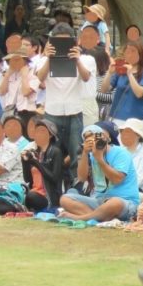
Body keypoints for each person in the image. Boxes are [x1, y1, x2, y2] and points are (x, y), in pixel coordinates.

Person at [37, 23, 97, 178]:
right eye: (58, 43)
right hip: (52, 112)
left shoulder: (87, 59)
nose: (62, 46)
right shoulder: (43, 60)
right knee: (51, 155)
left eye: (66, 43)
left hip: (74, 112)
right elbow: (40, 78)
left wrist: (77, 60)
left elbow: (86, 77)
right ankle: (53, 191)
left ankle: (76, 188)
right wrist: (49, 58)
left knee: (77, 154)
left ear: (75, 42)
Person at [59, 123, 140, 223]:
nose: (93, 142)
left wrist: (100, 159)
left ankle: (81, 218)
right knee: (65, 199)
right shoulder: (92, 155)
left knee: (114, 203)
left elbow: (117, 180)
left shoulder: (121, 153)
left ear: (103, 138)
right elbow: (81, 178)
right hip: (99, 201)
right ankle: (99, 218)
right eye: (87, 140)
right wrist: (84, 153)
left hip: (124, 201)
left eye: (94, 138)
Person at [103, 41, 143, 124]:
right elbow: (104, 90)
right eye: (127, 52)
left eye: (133, 51)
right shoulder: (119, 72)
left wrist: (130, 74)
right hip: (116, 117)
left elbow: (139, 93)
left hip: (136, 119)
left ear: (140, 55)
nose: (130, 55)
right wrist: (109, 73)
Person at [21, 118, 63, 210]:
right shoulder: (33, 152)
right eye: (37, 131)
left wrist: (36, 163)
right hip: (34, 191)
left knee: (30, 197)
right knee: (18, 192)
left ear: (50, 135)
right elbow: (28, 179)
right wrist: (24, 161)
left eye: (42, 131)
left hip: (48, 195)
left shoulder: (56, 152)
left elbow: (54, 178)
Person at [0, 46, 39, 129]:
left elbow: (26, 92)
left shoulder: (33, 75)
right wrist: (8, 75)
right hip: (9, 112)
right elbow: (1, 92)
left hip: (26, 113)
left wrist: (24, 76)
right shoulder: (8, 75)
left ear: (25, 61)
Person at [118, 117, 143, 195]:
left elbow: (138, 181)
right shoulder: (120, 152)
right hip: (121, 190)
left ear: (138, 135)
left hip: (141, 192)